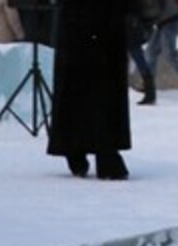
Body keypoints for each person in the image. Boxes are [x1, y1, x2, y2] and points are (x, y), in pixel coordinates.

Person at [47, 0, 135, 179]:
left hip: (80, 29)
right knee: (101, 91)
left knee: (77, 90)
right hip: (101, 29)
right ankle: (103, 153)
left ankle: (75, 148)